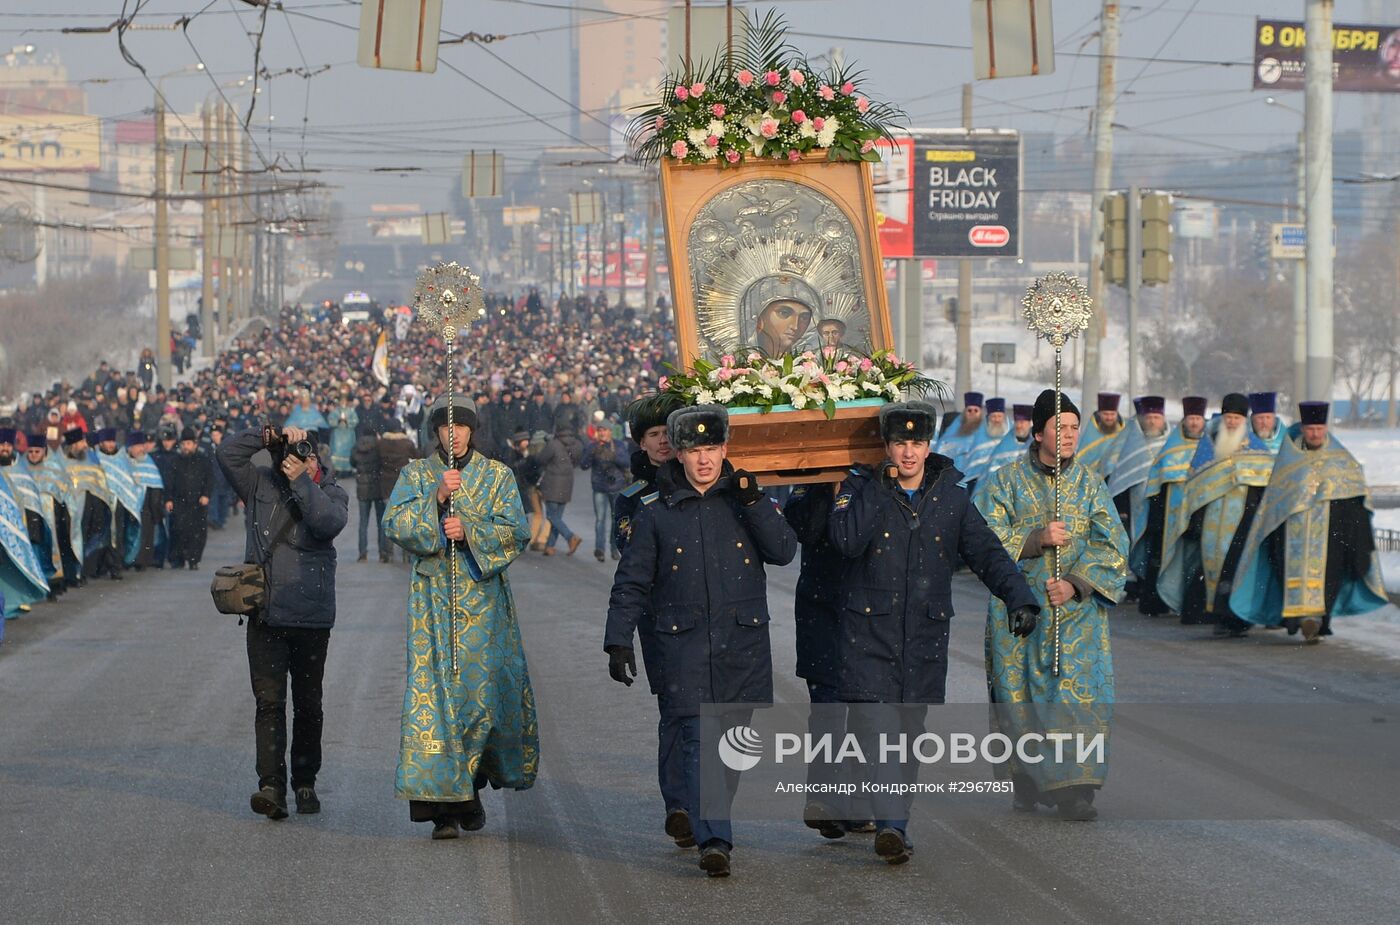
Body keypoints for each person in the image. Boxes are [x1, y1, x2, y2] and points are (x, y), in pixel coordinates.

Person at [828, 401, 1037, 864]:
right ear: (886, 446)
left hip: (923, 637)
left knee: (908, 733)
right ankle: (891, 826)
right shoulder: (859, 487)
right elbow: (846, 540)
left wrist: (1020, 597)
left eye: (917, 443)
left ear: (929, 446)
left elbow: (987, 552)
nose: (908, 453)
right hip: (869, 634)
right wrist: (878, 490)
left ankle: (894, 820)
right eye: (900, 443)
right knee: (879, 732)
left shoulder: (951, 496)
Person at [605, 404, 798, 877]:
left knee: (733, 743)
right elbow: (630, 580)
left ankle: (707, 815)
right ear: (681, 456)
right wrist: (618, 640)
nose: (704, 459)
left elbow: (783, 550)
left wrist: (753, 501)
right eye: (694, 450)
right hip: (682, 643)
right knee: (695, 738)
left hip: (741, 642)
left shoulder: (745, 499)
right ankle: (714, 836)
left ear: (725, 449)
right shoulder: (654, 511)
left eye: (712, 448)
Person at [382, 393, 538, 839]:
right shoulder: (416, 474)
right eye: (445, 427)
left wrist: (471, 531)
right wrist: (434, 500)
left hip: (485, 606)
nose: (453, 434)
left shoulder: (497, 475)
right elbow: (394, 524)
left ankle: (469, 788)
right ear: (434, 432)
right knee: (437, 701)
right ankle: (444, 808)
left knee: (481, 701)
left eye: (461, 426)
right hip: (432, 605)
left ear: (472, 430)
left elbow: (516, 532)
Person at [975, 389, 1129, 821]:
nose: (1069, 435)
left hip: (1078, 617)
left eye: (1075, 427)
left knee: (1077, 700)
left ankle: (1076, 790)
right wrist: (1034, 540)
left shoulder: (1090, 484)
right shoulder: (1004, 482)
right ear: (1038, 432)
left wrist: (1077, 584)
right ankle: (1027, 781)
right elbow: (980, 541)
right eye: (1060, 427)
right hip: (1022, 614)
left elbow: (1114, 544)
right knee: (1022, 699)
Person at [217, 422, 349, 820]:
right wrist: (266, 435)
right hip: (266, 614)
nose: (296, 457)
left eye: (305, 452)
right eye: (291, 452)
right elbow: (226, 455)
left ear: (317, 457)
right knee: (269, 705)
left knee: (308, 706)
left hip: (311, 617)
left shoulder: (331, 491)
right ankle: (271, 785)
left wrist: (303, 483)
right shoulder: (258, 485)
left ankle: (304, 781)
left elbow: (327, 524)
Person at [1230, 402, 1388, 642]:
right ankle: (1300, 619)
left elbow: (1356, 500)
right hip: (1291, 536)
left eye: (1319, 429)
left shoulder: (1342, 460)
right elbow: (1274, 501)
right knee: (1291, 578)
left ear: (1325, 429)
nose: (1315, 433)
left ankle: (1317, 622)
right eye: (1310, 429)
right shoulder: (1289, 460)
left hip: (1330, 535)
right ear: (1303, 428)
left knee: (1328, 579)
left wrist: (1357, 540)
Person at [610, 393, 691, 845]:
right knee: (677, 714)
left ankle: (704, 803)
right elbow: (634, 558)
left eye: (668, 433)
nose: (663, 442)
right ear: (640, 443)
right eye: (653, 435)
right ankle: (679, 805)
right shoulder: (634, 499)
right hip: (663, 619)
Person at [1158, 394, 1274, 635]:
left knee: (1235, 568)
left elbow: (1263, 488)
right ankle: (1210, 613)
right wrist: (1195, 518)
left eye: (1236, 418)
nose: (1231, 422)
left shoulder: (1257, 450)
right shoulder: (1208, 446)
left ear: (1244, 420)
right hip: (1210, 520)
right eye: (1228, 417)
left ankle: (1233, 619)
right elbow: (1194, 483)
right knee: (1209, 565)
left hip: (1243, 520)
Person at [1131, 397, 1207, 616]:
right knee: (1163, 557)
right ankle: (1156, 602)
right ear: (1184, 421)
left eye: (1197, 419)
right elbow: (1156, 485)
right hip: (1168, 516)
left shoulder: (1209, 450)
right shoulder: (1170, 448)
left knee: (1194, 562)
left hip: (1199, 515)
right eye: (1190, 418)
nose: (1194, 423)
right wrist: (1156, 517)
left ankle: (1190, 607)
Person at [1105, 397, 1169, 597]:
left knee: (1157, 545)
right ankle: (1136, 582)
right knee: (1135, 540)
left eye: (1156, 417)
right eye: (1149, 417)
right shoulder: (1129, 441)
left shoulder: (1171, 443)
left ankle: (1152, 586)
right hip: (1136, 505)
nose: (1152, 421)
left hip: (1162, 505)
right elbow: (1118, 477)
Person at [0, 428, 49, 616]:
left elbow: (30, 500)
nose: (4, 448)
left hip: (17, 525)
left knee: (14, 564)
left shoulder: (20, 471)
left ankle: (18, 600)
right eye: (1, 445)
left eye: (7, 445)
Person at [579, 423, 631, 562]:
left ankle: (614, 549)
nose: (602, 433)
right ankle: (600, 549)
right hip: (599, 487)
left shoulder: (618, 445)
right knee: (600, 520)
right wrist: (593, 451)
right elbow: (583, 465)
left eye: (605, 430)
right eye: (600, 430)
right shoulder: (593, 446)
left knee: (616, 520)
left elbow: (626, 462)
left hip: (617, 486)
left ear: (610, 432)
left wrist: (612, 454)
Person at [165, 429, 214, 571]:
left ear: (195, 444)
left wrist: (206, 495)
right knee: (179, 530)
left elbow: (209, 479)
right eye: (184, 444)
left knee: (197, 532)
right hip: (180, 501)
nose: (186, 446)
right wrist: (168, 498)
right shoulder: (175, 460)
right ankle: (179, 558)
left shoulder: (203, 460)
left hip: (198, 502)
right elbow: (170, 481)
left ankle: (194, 559)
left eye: (188, 443)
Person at [535, 424, 583, 556]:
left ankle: (570, 537)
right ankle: (549, 546)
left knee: (552, 516)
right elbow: (578, 460)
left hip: (552, 483)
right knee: (557, 517)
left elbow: (540, 459)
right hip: (567, 483)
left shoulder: (553, 444)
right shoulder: (576, 444)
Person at [123, 431, 165, 570]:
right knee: (128, 533)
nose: (142, 449)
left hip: (146, 506)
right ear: (130, 447)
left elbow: (155, 483)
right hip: (128, 505)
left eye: (142, 445)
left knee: (146, 533)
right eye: (138, 446)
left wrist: (156, 506)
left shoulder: (148, 461)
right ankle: (126, 559)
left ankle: (141, 561)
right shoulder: (123, 462)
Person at [352, 424, 387, 562]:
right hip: (377, 486)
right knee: (380, 523)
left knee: (363, 523)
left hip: (362, 487)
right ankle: (382, 552)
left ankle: (362, 553)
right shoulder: (379, 446)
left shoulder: (357, 447)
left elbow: (352, 462)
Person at [959, 397, 1009, 489]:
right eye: (994, 416)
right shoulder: (978, 434)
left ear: (1004, 418)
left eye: (999, 416)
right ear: (988, 418)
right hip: (977, 481)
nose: (997, 420)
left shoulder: (1010, 436)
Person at [933, 392, 984, 475]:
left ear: (980, 413)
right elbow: (942, 447)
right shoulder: (956, 425)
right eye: (969, 410)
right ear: (965, 412)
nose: (972, 413)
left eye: (976, 411)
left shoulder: (986, 430)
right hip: (953, 474)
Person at [1077, 392, 1126, 476]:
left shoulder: (1124, 433)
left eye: (1112, 414)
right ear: (1099, 414)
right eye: (1105, 414)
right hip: (1093, 481)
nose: (1109, 418)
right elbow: (1082, 462)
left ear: (1117, 414)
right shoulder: (1090, 434)